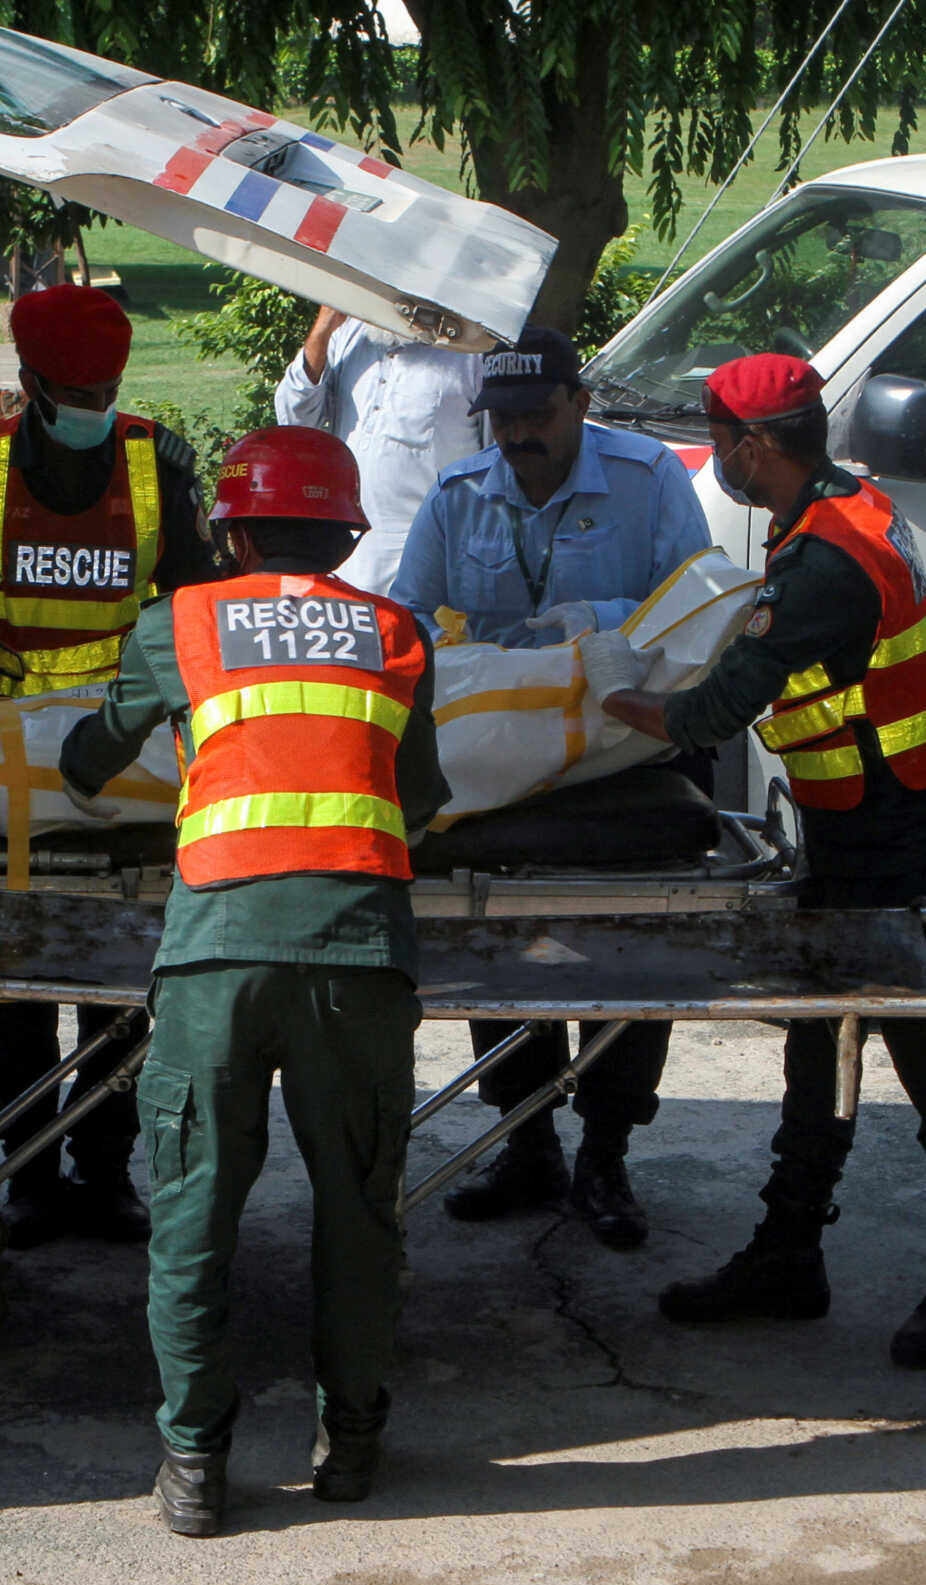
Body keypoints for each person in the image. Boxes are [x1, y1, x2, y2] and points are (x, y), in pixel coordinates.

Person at [58, 426, 448, 1538]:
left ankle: (193, 1462)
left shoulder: (177, 624)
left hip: (215, 959)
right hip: (361, 959)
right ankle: (354, 1442)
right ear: (345, 534)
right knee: (357, 1211)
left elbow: (93, 755)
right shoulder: (395, 632)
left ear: (227, 530)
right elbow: (416, 798)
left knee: (193, 1211)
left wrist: (86, 764)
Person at [578, 353, 926, 1371]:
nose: (715, 457)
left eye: (719, 440)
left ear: (755, 445)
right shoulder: (846, 505)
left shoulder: (824, 563)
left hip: (899, 845)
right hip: (863, 825)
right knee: (817, 1050)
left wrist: (607, 701)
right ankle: (787, 1249)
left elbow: (715, 711)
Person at [391, 326, 711, 1251]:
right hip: (506, 765)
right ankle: (525, 1140)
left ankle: (605, 1157)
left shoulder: (650, 479)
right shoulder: (461, 496)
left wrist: (599, 620)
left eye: (536, 415)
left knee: (628, 958)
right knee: (500, 944)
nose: (518, 435)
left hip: (627, 761)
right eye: (504, 419)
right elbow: (409, 616)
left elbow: (697, 601)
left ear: (579, 403)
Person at [0, 283, 218, 1249]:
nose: (93, 405)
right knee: (18, 980)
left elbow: (196, 600)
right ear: (28, 382)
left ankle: (106, 1169)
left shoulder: (158, 459)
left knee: (123, 985)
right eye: (73, 389)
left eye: (106, 387)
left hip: (126, 761)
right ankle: (29, 1175)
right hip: (14, 765)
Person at [273, 303, 486, 594]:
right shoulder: (351, 332)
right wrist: (322, 330)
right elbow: (294, 421)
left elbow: (495, 460)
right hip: (347, 556)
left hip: (434, 561)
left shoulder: (472, 350)